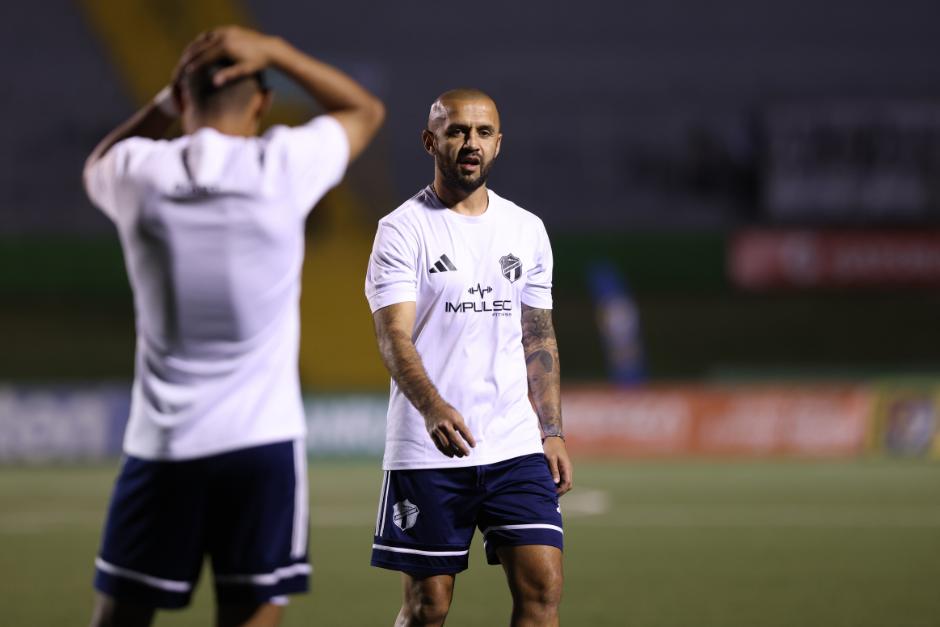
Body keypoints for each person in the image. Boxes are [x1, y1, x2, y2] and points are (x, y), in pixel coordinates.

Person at [82, 26, 384, 627]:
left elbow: (98, 162)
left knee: (122, 616)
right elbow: (364, 109)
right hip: (261, 442)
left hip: (163, 443)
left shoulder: (138, 172)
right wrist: (276, 51)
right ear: (262, 103)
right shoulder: (281, 163)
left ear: (183, 98)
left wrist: (165, 106)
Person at [365, 88, 572, 627]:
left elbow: (539, 337)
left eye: (483, 133)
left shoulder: (526, 230)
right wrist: (433, 406)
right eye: (457, 131)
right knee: (427, 607)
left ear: (498, 144)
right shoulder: (402, 229)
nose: (470, 143)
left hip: (513, 442)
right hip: (430, 447)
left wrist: (551, 429)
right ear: (430, 141)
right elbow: (394, 337)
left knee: (543, 589)